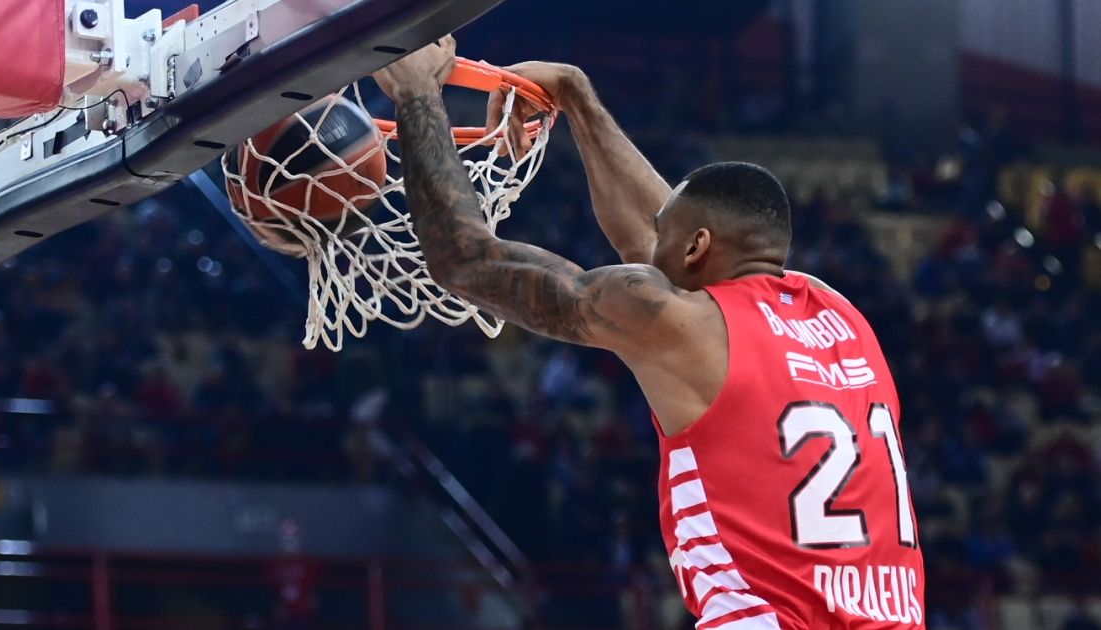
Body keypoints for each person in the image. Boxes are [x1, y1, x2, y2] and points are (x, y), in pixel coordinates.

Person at [372, 37, 926, 629]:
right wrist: (576, 97)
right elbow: (664, 239)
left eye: (668, 236)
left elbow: (463, 259)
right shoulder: (840, 314)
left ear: (697, 247)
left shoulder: (683, 323)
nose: (648, 247)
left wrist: (418, 93)